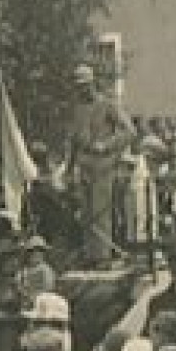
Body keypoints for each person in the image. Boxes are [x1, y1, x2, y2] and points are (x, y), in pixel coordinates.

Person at [65, 64, 135, 266]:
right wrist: (69, 169)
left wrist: (106, 145)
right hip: (83, 166)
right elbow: (73, 140)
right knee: (86, 214)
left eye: (85, 85)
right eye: (78, 86)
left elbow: (129, 131)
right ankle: (90, 256)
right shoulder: (77, 109)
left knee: (101, 212)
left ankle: (102, 257)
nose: (81, 90)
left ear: (93, 82)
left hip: (103, 165)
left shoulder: (107, 104)